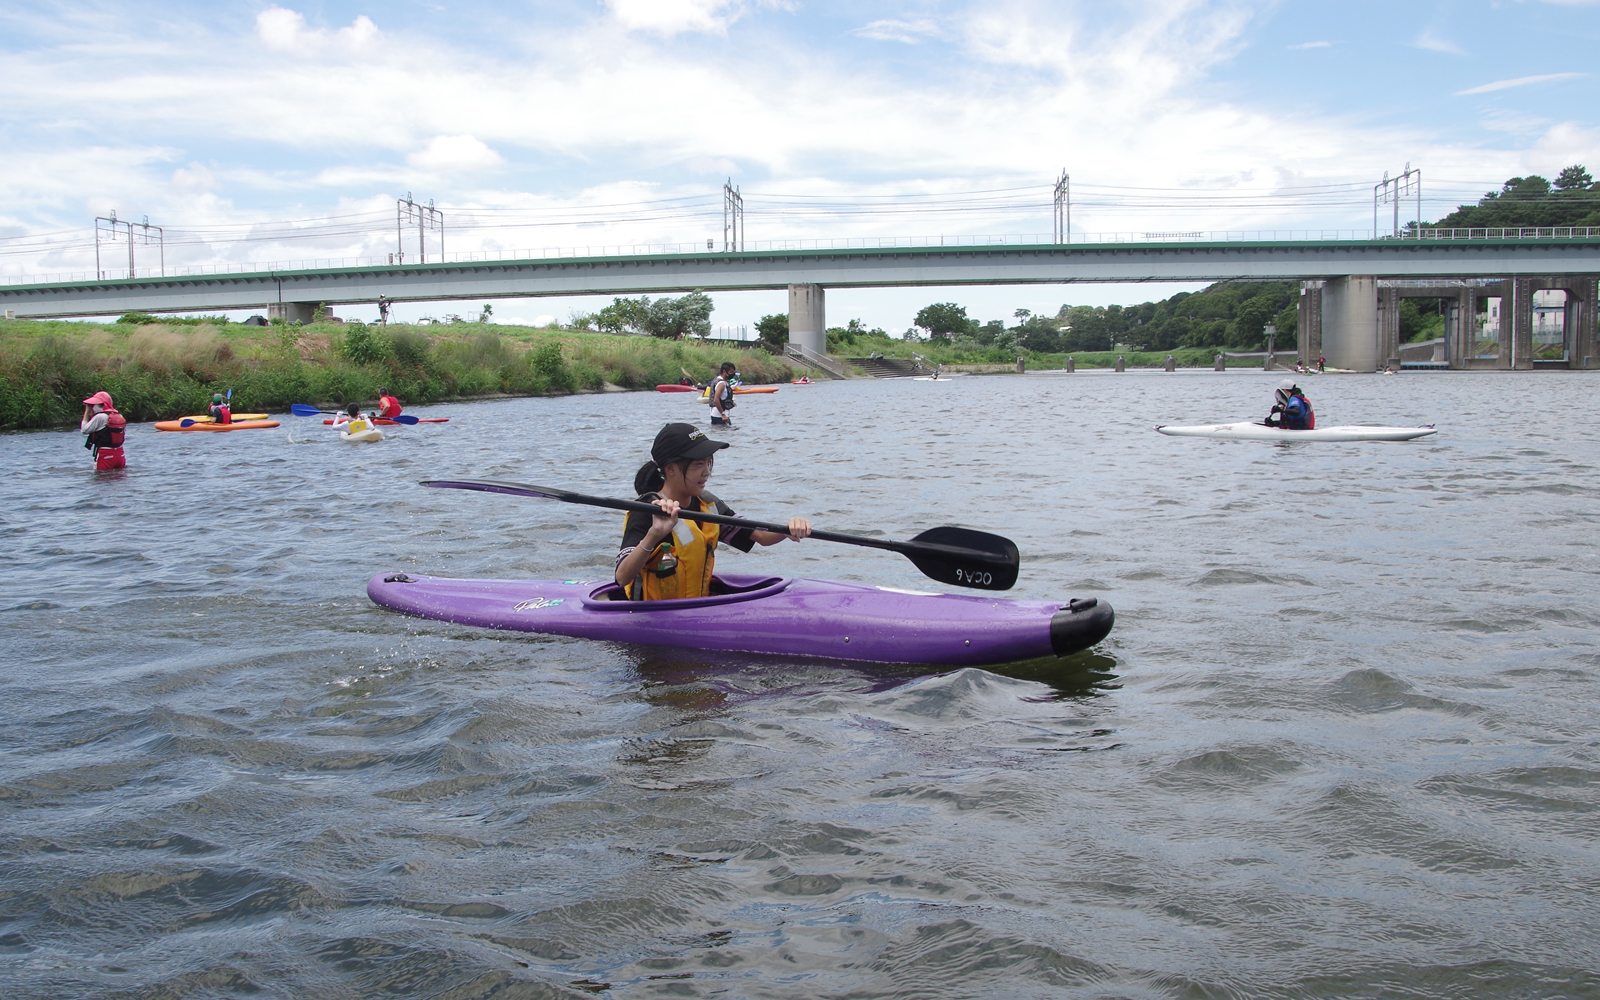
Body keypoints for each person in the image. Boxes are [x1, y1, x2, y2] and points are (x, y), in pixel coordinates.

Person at [614, 422, 810, 600]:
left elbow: (760, 536)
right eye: (698, 464)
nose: (706, 472)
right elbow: (622, 577)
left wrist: (788, 528)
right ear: (671, 468)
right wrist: (655, 534)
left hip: (695, 607)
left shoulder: (708, 504)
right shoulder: (647, 510)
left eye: (708, 462)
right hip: (652, 615)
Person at [80, 391, 126, 470]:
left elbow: (84, 430)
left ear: (101, 405)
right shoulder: (119, 416)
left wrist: (86, 413)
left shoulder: (100, 417)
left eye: (93, 405)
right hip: (120, 454)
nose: (92, 407)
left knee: (101, 479)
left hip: (105, 455)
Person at [707, 361, 737, 427]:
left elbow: (722, 396)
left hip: (715, 414)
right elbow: (716, 400)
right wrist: (723, 414)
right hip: (720, 416)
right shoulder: (721, 383)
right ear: (724, 372)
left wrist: (731, 402)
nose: (732, 374)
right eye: (731, 372)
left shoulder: (716, 380)